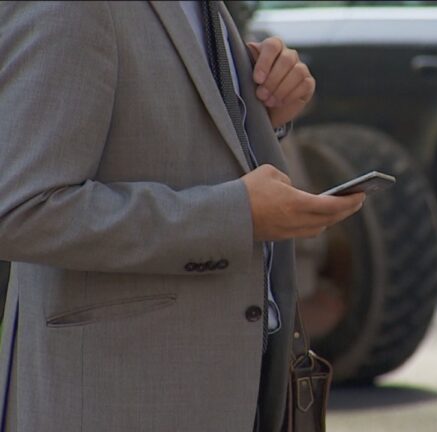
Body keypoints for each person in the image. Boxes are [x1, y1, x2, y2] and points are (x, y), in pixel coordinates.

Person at [0, 1, 365, 431]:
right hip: (119, 400)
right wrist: (235, 216)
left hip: (228, 390)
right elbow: (22, 210)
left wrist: (260, 110)